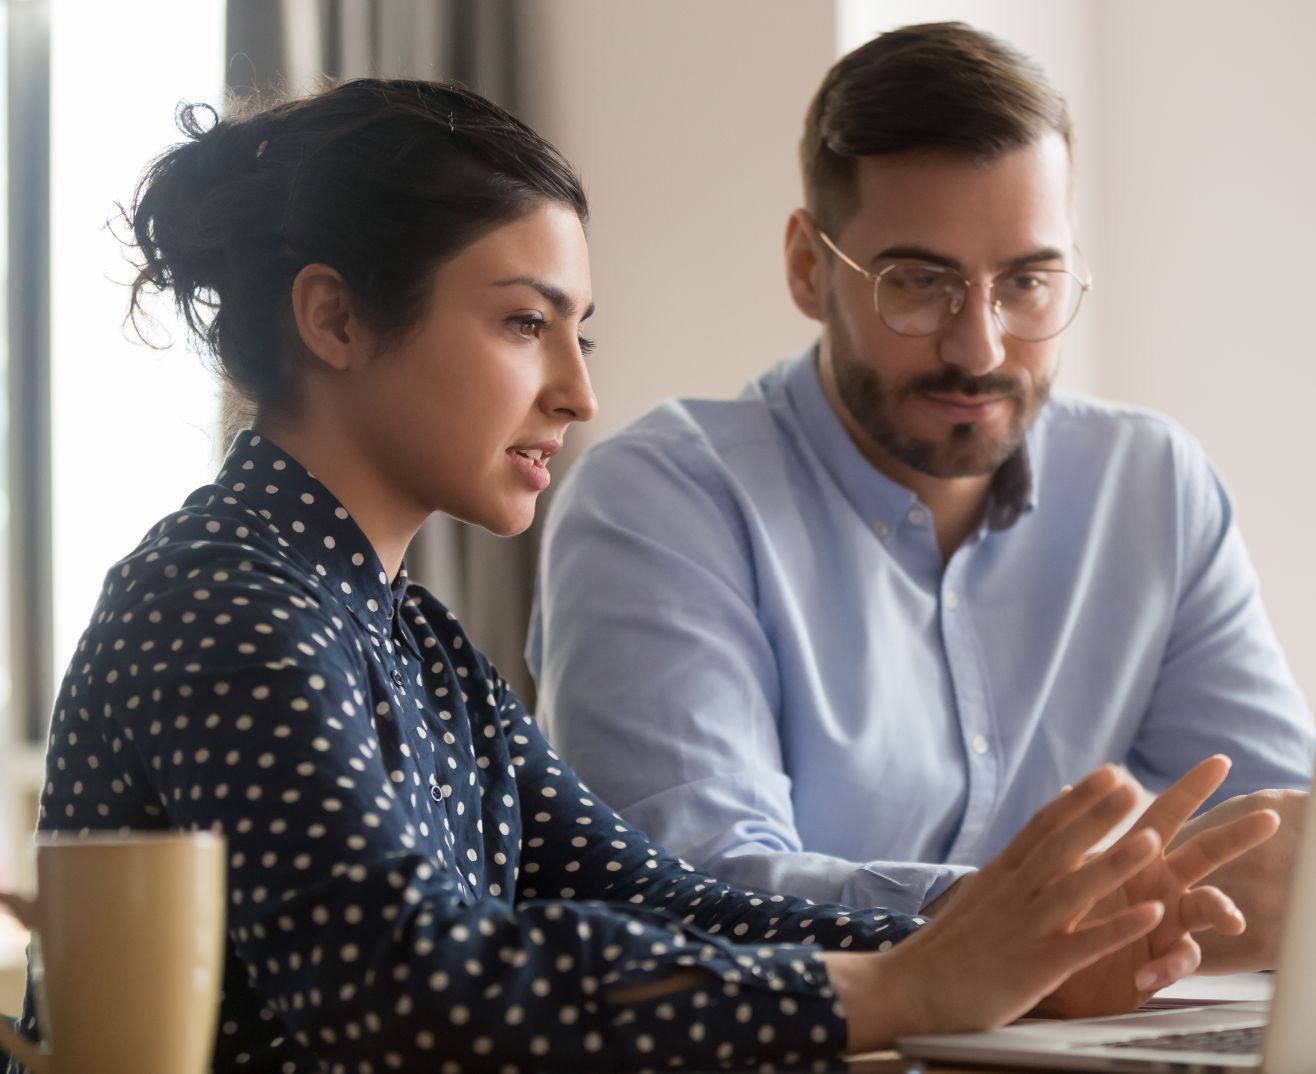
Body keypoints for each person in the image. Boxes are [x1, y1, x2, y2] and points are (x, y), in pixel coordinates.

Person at [7, 78, 1279, 1074]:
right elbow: (403, 996)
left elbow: (663, 899)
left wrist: (1016, 947)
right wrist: (909, 986)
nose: (579, 390)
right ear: (334, 319)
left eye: (579, 330)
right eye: (523, 322)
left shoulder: (409, 639)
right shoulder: (225, 602)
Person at [528, 21, 1315, 975]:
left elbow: (1278, 852)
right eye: (920, 282)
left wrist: (1114, 915)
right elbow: (694, 891)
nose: (979, 347)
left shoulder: (1151, 487)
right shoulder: (658, 502)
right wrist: (1043, 921)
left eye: (1027, 282)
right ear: (808, 268)